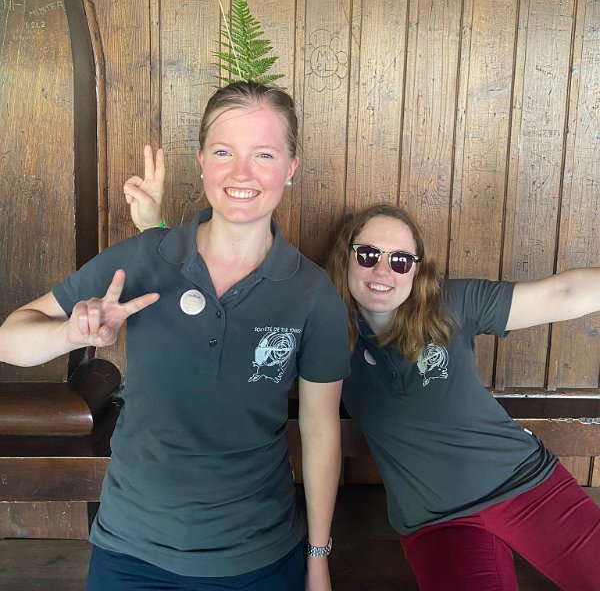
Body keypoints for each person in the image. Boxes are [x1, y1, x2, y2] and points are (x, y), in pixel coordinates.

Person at [0, 81, 350, 591]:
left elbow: (320, 430)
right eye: (224, 152)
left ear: (291, 168)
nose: (242, 173)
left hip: (257, 558)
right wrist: (69, 334)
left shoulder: (312, 293)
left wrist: (317, 556)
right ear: (202, 162)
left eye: (265, 154)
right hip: (131, 552)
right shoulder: (143, 258)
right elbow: (10, 339)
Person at [325, 202, 600, 591]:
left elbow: (565, 293)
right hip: (437, 523)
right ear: (347, 258)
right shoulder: (325, 332)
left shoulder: (450, 303)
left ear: (417, 269)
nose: (383, 270)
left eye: (401, 260)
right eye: (368, 255)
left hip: (526, 485)